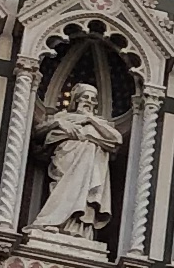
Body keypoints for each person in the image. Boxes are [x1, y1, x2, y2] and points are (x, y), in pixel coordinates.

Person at [27, 79, 124, 247]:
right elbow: (39, 131)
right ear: (77, 99)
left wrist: (90, 121)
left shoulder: (100, 123)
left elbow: (116, 139)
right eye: (85, 97)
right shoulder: (63, 117)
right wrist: (59, 124)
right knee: (63, 189)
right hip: (66, 161)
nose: (90, 102)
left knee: (85, 197)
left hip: (90, 169)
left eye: (93, 99)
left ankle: (80, 232)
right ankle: (51, 222)